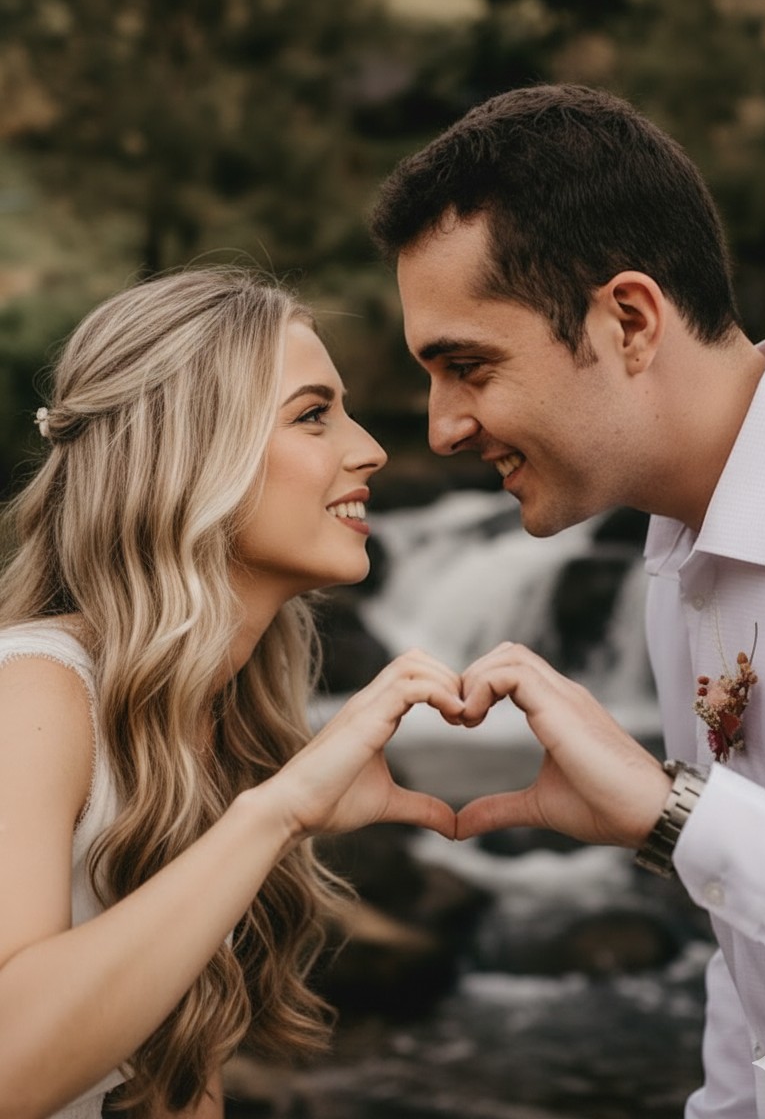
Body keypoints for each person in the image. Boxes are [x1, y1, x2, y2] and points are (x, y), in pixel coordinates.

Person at [370, 84, 765, 1117]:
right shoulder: (675, 557)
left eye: (467, 366)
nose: (441, 427)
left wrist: (671, 815)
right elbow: (754, 975)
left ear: (627, 320)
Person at [0, 266, 464, 1119]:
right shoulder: (33, 693)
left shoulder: (219, 715)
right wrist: (277, 811)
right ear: (192, 450)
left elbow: (177, 1086)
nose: (369, 449)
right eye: (314, 414)